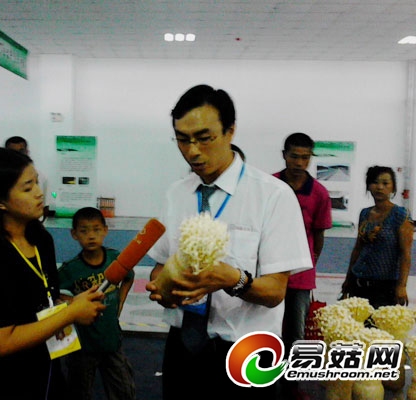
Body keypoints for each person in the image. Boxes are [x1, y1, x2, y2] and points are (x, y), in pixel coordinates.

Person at [145, 84, 312, 399]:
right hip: (183, 347)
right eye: (182, 139)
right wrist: (165, 288)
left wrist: (231, 279)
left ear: (230, 131)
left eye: (204, 138)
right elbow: (160, 267)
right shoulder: (176, 194)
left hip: (246, 352)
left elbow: (275, 292)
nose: (192, 151)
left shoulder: (273, 195)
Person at [0, 147, 106, 399]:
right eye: (27, 188)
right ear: (0, 201)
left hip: (45, 373)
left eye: (36, 182)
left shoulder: (41, 239)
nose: (39, 192)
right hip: (2, 384)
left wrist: (72, 303)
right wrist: (70, 314)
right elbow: (2, 342)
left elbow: (43, 301)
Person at [274, 132, 332, 400]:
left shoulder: (319, 193)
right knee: (264, 330)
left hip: (301, 277)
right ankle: (261, 383)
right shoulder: (270, 185)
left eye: (305, 157)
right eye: (294, 156)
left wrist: (308, 264)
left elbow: (319, 235)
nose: (299, 162)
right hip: (268, 272)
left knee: (295, 335)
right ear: (284, 155)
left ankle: (292, 389)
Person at [58, 207, 136, 400]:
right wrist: (72, 305)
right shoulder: (71, 269)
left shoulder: (115, 259)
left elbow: (128, 276)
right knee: (78, 393)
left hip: (112, 342)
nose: (91, 236)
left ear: (105, 230)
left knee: (124, 392)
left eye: (96, 229)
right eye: (84, 231)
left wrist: (120, 302)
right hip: (83, 347)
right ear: (74, 234)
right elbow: (55, 293)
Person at [341, 166, 412, 308]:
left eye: (385, 183)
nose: (380, 187)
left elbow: (405, 254)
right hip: (358, 282)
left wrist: (402, 286)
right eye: (374, 182)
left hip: (385, 287)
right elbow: (358, 249)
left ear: (393, 187)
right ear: (368, 186)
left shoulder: (401, 215)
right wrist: (348, 280)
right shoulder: (364, 213)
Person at [5, 136, 51, 220]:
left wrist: (37, 225)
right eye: (13, 152)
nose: (17, 155)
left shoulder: (40, 176)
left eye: (21, 151)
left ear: (27, 152)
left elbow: (45, 206)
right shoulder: (0, 177)